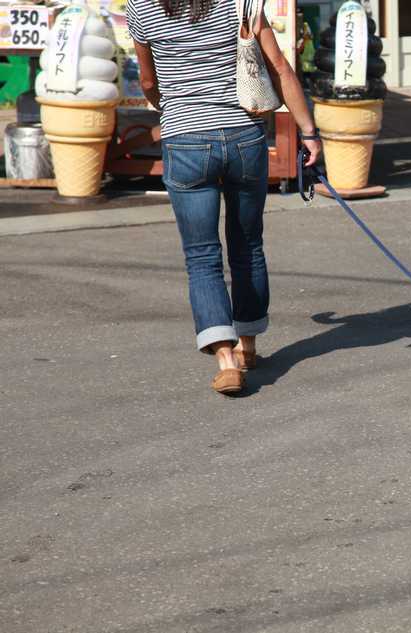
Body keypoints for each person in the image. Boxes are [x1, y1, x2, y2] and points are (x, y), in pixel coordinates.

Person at [127, 0, 321, 394]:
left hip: (185, 141)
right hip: (243, 137)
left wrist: (174, 109)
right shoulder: (241, 2)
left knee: (201, 255)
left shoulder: (141, 7)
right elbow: (279, 67)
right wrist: (309, 132)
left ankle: (227, 359)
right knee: (248, 243)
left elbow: (147, 82)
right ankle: (248, 343)